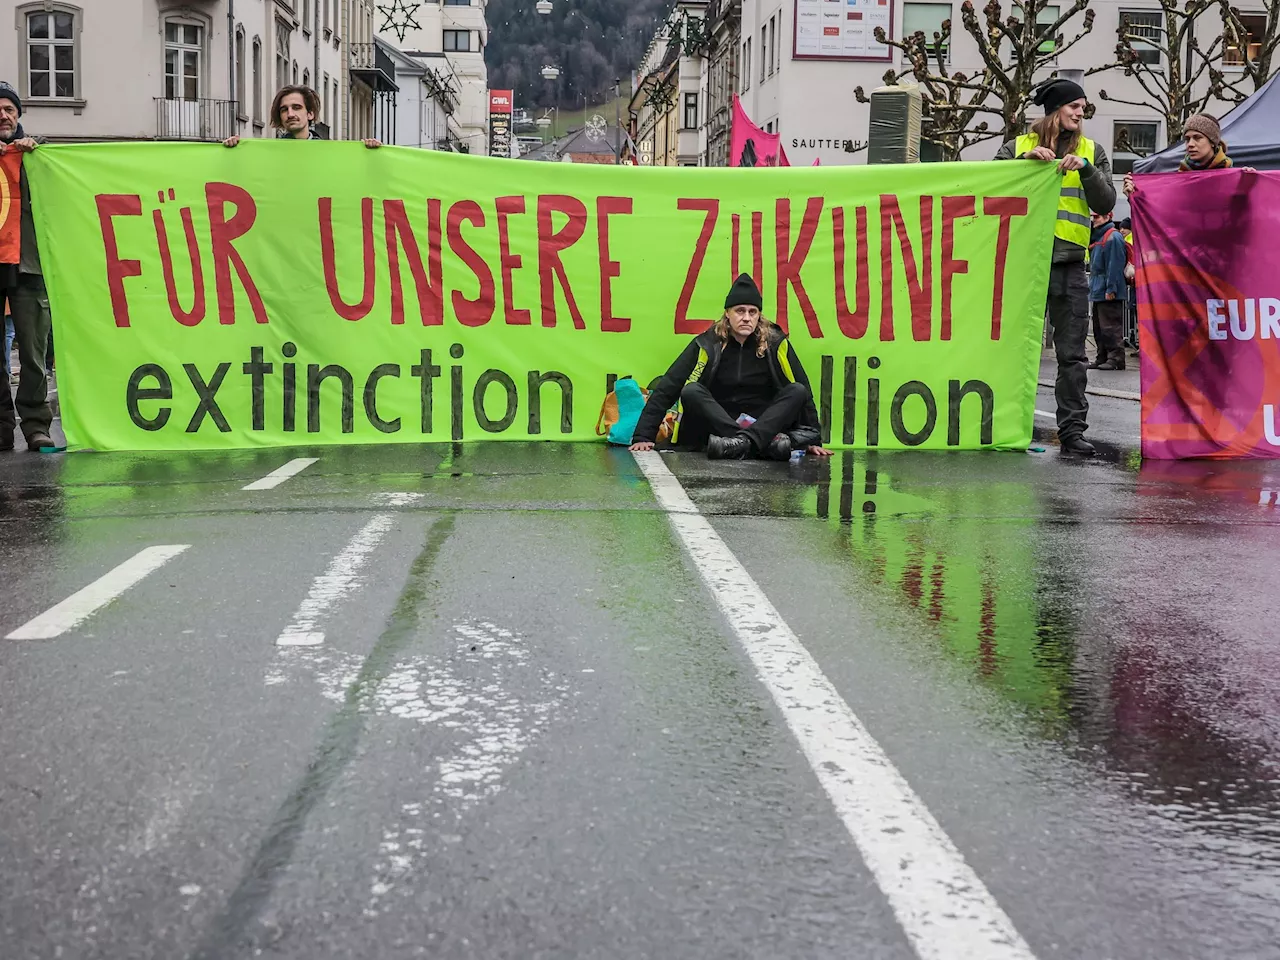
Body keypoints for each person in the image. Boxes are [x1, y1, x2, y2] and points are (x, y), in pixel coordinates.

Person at [996, 77, 1116, 457]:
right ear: (1055, 110)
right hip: (1021, 264)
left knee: (1072, 355)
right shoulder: (1018, 147)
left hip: (1068, 265)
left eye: (1083, 109)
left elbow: (1106, 199)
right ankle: (1002, 426)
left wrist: (1085, 169)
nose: (1081, 113)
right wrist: (1021, 166)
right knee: (1011, 350)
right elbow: (988, 187)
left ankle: (1072, 431)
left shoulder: (1092, 151)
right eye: (1075, 106)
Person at [628, 274, 832, 460]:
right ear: (727, 313)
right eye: (740, 311)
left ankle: (740, 444)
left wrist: (813, 441)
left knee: (797, 391)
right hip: (720, 426)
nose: (746, 318)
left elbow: (804, 391)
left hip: (765, 423)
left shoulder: (776, 343)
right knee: (691, 391)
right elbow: (669, 385)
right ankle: (757, 445)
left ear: (759, 315)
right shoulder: (707, 343)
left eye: (753, 312)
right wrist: (643, 435)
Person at [0, 81, 54, 452]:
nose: (3, 115)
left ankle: (36, 425)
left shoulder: (38, 154)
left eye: (9, 109)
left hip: (29, 263)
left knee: (33, 353)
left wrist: (35, 155)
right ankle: (2, 428)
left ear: (18, 115)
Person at [1123, 113, 1254, 197]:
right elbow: (1160, 213)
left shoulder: (1233, 179)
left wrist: (1251, 185)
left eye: (1197, 138)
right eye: (1187, 139)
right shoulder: (1178, 180)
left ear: (1213, 142)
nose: (1190, 144)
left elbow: (1250, 214)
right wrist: (1134, 197)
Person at [223, 85, 381, 148]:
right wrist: (233, 152)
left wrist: (369, 153)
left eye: (297, 108)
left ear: (310, 113)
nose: (290, 114)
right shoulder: (269, 152)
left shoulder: (328, 153)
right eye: (284, 110)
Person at [1087, 211, 1128, 370]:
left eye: (1096, 217)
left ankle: (1116, 358)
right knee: (1100, 327)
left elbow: (1115, 266)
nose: (1093, 219)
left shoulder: (1112, 237)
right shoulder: (1102, 237)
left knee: (1110, 326)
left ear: (1107, 217)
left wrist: (1111, 289)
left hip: (1106, 290)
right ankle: (1103, 356)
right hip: (1099, 289)